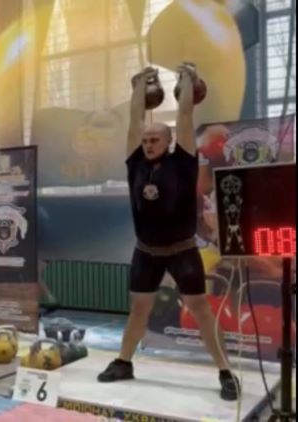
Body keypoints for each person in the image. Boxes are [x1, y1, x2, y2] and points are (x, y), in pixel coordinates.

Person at [97, 65, 240, 401]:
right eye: (146, 140)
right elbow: (134, 122)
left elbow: (186, 115)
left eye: (155, 140)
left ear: (169, 140)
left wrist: (187, 80)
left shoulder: (183, 162)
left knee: (200, 309)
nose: (148, 144)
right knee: (139, 309)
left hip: (182, 249)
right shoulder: (136, 163)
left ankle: (225, 372)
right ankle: (123, 362)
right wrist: (138, 86)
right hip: (146, 251)